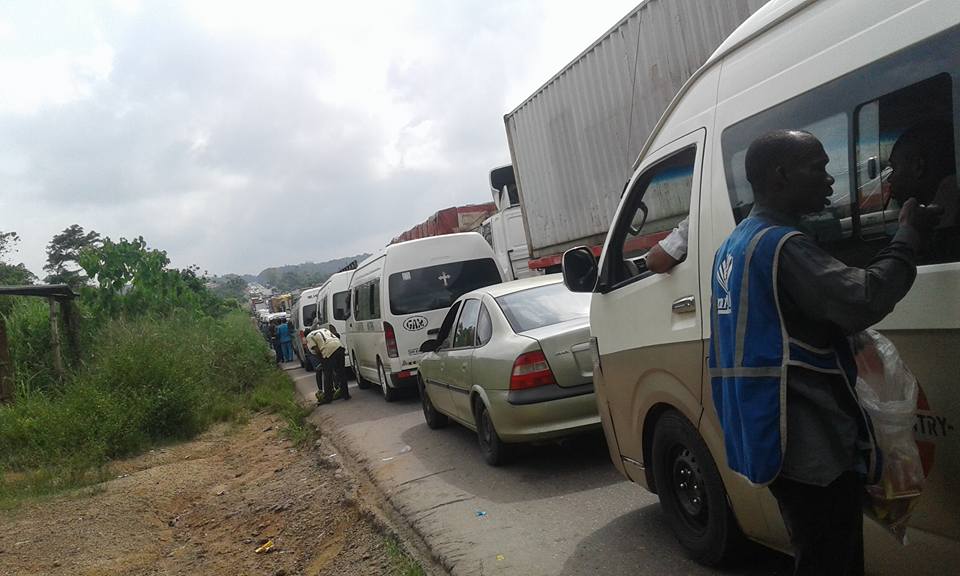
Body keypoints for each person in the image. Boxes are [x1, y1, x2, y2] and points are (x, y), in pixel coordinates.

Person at [708, 129, 941, 576]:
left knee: (818, 553)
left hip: (770, 438)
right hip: (811, 447)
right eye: (818, 168)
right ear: (780, 175)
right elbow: (863, 298)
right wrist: (908, 235)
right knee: (831, 560)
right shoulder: (783, 246)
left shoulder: (734, 245)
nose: (831, 180)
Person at [886, 119, 958, 262]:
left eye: (894, 168)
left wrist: (908, 231)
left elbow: (886, 274)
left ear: (918, 167)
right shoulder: (949, 218)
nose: (889, 179)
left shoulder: (945, 239)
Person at [306, 323, 350, 404]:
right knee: (341, 372)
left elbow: (317, 350)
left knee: (327, 375)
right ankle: (345, 394)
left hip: (328, 349)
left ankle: (327, 398)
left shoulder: (309, 337)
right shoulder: (324, 330)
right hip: (339, 346)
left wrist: (322, 361)